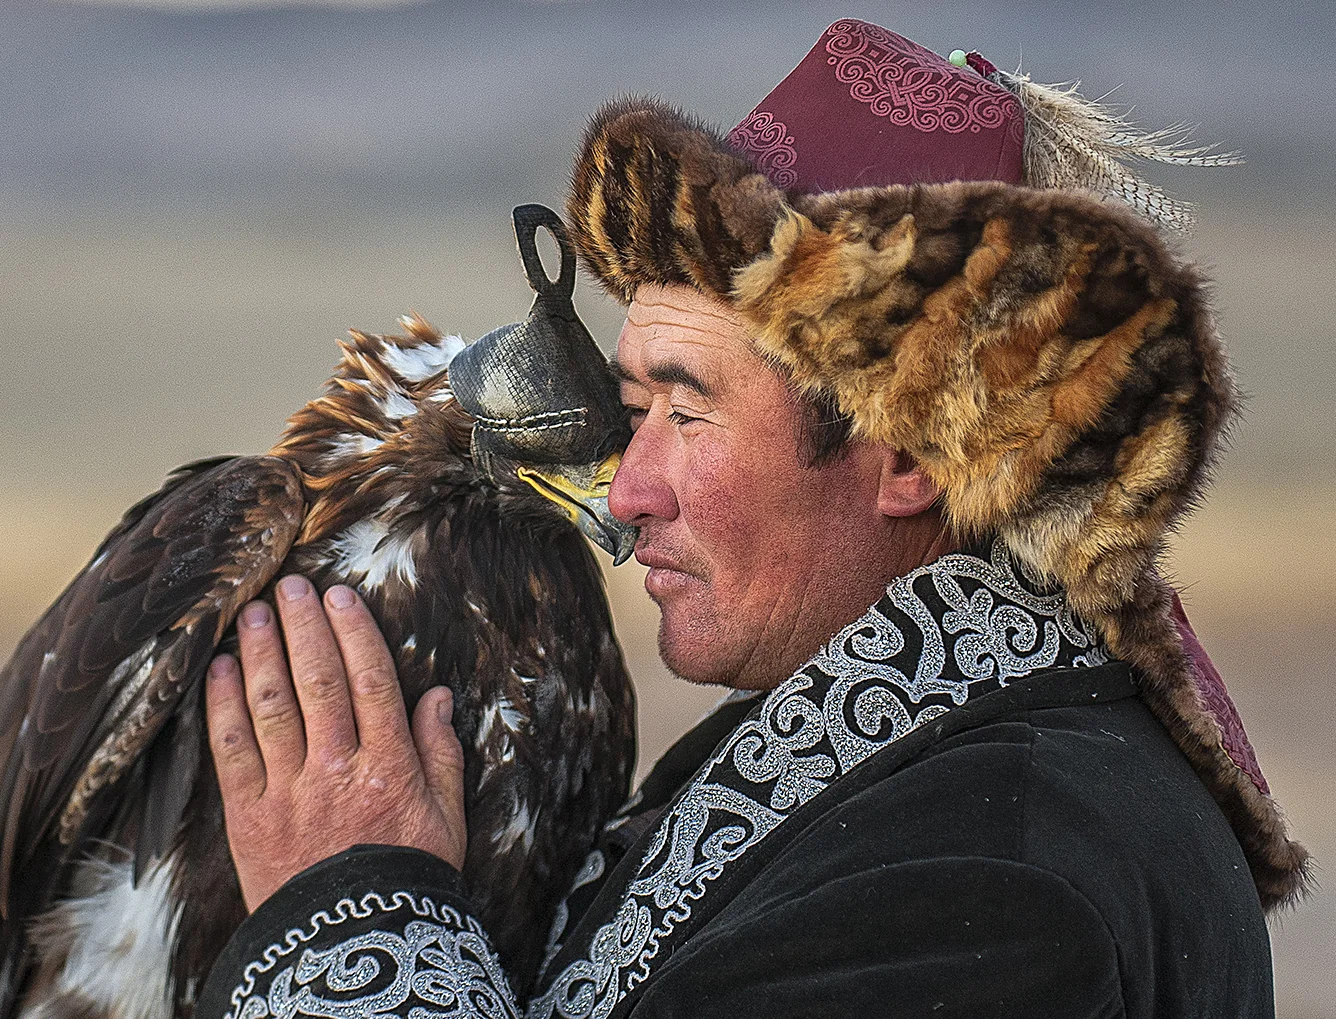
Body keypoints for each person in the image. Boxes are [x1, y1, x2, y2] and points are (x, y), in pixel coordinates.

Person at [195, 20, 1306, 1019]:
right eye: (634, 412)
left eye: (687, 407)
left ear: (912, 451)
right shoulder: (908, 764)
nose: (626, 489)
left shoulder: (991, 872)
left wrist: (349, 911)